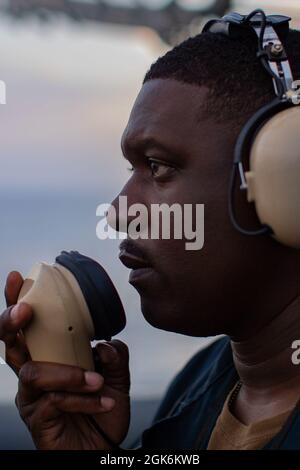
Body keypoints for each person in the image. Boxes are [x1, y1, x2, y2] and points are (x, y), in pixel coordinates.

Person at [1, 14, 300, 450]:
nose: (120, 211)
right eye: (132, 168)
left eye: (158, 167)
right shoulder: (196, 386)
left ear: (285, 181)